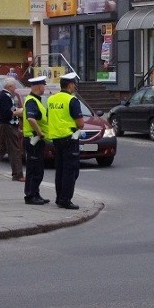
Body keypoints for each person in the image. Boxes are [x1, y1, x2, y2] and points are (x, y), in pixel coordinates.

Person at [46, 72, 84, 210]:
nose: (74, 87)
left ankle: (59, 197)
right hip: (69, 138)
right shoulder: (72, 100)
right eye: (74, 84)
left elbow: (48, 116)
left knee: (60, 170)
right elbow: (80, 123)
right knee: (71, 171)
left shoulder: (51, 99)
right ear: (70, 85)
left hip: (56, 138)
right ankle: (65, 199)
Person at [21, 76, 49, 205]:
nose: (45, 88)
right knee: (34, 169)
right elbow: (31, 119)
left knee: (37, 169)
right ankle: (30, 196)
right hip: (34, 139)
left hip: (36, 140)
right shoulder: (32, 101)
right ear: (39, 86)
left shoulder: (35, 100)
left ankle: (35, 193)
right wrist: (40, 132)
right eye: (44, 85)